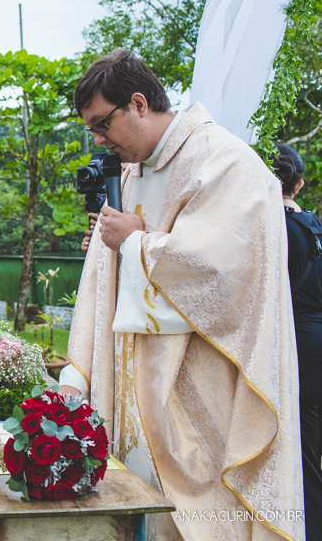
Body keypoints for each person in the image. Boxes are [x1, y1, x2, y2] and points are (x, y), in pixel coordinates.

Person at [59, 49, 302, 540]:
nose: (99, 139)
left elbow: (227, 269)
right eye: (92, 129)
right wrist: (76, 370)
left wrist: (136, 243)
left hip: (199, 383)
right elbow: (103, 272)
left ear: (140, 103)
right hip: (131, 381)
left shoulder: (226, 161)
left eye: (102, 124)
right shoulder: (129, 170)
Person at [273, 143, 322, 541]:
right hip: (318, 338)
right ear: (300, 184)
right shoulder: (315, 225)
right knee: (310, 437)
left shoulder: (272, 229)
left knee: (288, 440)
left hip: (292, 339)